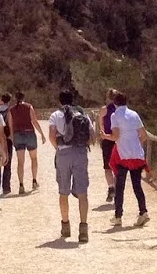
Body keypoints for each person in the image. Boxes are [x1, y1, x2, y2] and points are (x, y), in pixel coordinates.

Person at [46, 88, 93, 243]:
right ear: (72, 100)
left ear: (60, 101)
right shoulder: (82, 113)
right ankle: (83, 229)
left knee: (63, 192)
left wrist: (59, 148)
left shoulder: (55, 115)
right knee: (82, 192)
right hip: (80, 153)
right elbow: (92, 136)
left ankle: (65, 226)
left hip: (63, 154)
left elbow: (52, 136)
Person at [106, 90, 150, 226]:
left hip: (122, 155)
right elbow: (143, 135)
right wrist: (134, 144)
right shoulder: (134, 114)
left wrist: (105, 136)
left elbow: (116, 136)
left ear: (114, 103)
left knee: (120, 186)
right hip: (136, 154)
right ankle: (143, 212)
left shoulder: (115, 116)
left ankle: (118, 216)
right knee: (137, 185)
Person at [7, 90, 42, 193]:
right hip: (29, 133)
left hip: (18, 135)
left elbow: (10, 125)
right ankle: (34, 181)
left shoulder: (11, 110)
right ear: (24, 98)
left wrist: (12, 138)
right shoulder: (29, 107)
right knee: (34, 158)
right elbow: (34, 121)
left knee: (20, 162)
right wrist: (41, 134)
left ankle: (21, 185)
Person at [99, 88, 120, 203]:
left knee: (107, 166)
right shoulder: (120, 110)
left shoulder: (104, 110)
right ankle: (117, 188)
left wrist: (104, 134)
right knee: (117, 166)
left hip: (107, 139)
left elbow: (101, 124)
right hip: (119, 140)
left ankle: (111, 187)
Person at [0, 92, 16, 197]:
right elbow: (10, 125)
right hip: (6, 138)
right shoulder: (8, 111)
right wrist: (12, 138)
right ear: (9, 100)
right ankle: (6, 187)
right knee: (7, 163)